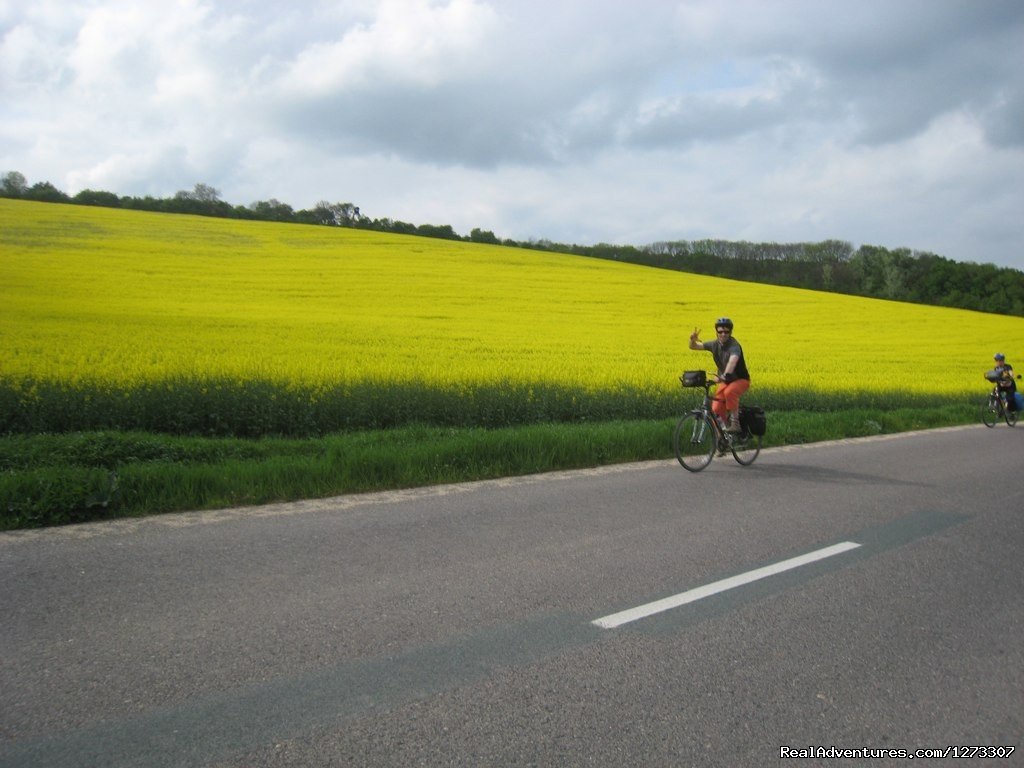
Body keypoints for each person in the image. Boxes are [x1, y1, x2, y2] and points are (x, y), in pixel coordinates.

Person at [689, 317, 750, 432]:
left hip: (740, 380)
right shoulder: (714, 344)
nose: (723, 334)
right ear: (716, 332)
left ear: (730, 332)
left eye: (726, 332)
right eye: (720, 331)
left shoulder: (734, 346)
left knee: (730, 392)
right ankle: (722, 440)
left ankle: (735, 424)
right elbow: (694, 346)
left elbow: (733, 360)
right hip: (724, 381)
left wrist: (725, 375)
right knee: (716, 410)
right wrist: (692, 340)